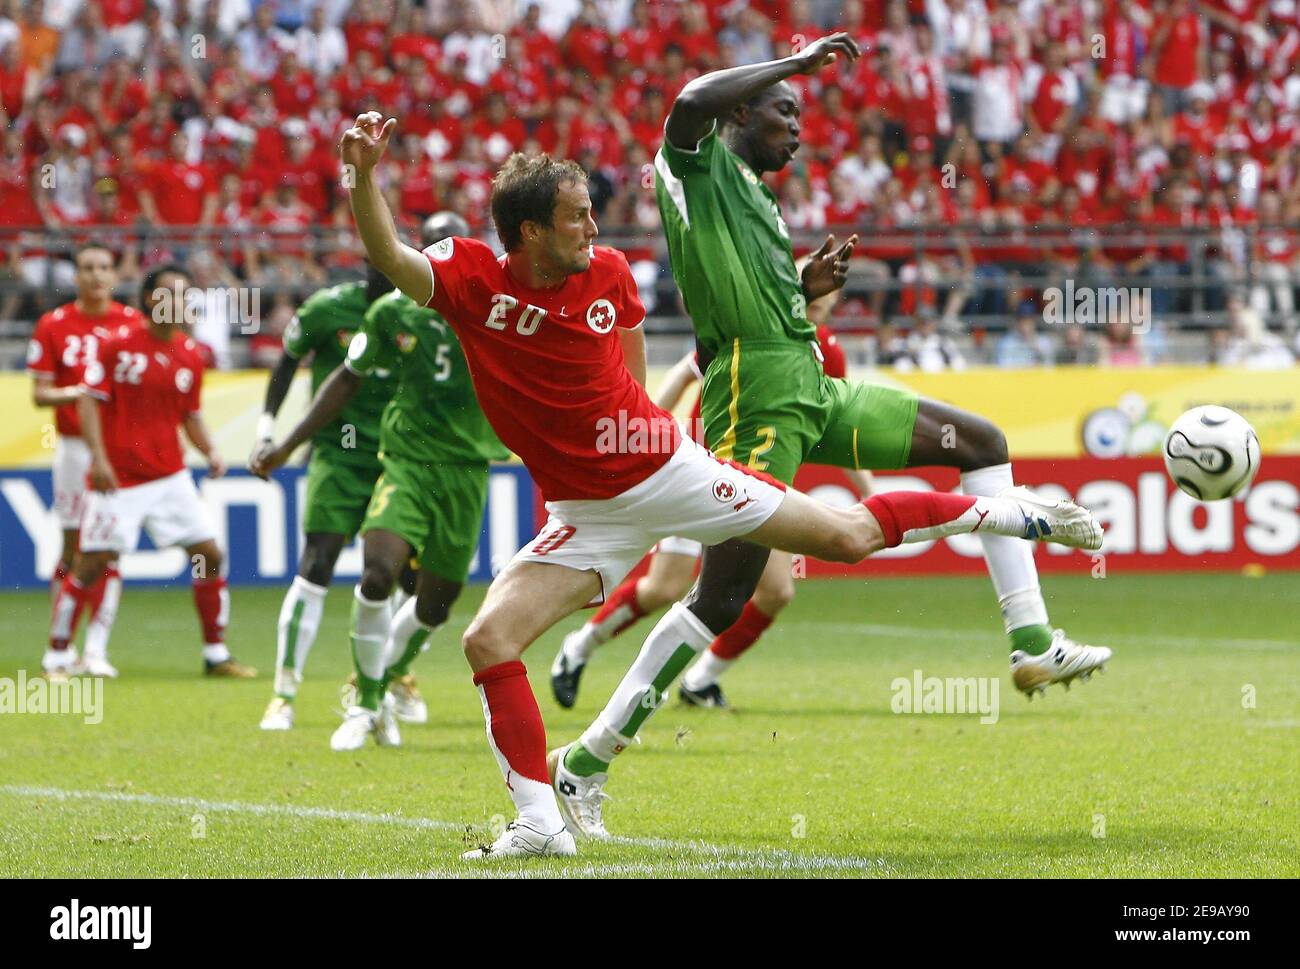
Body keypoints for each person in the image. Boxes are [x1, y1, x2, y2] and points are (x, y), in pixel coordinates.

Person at [339, 109, 1102, 859]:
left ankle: (1014, 514)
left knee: (845, 537)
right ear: (530, 232)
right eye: (577, 217)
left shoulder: (605, 275)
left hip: (665, 474)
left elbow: (629, 370)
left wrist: (638, 437)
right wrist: (362, 178)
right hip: (586, 511)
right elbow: (392, 256)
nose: (595, 230)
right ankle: (541, 820)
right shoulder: (472, 275)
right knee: (487, 638)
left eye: (593, 213)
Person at [552, 33, 1114, 839]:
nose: (799, 127)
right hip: (754, 395)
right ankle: (585, 763)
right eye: (785, 112)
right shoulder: (696, 163)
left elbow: (760, 298)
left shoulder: (754, 191)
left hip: (813, 383)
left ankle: (1031, 641)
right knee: (721, 596)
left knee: (980, 441)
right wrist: (795, 62)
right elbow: (685, 104)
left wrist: (804, 285)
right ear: (742, 110)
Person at [551, 276, 876, 710]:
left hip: (758, 481)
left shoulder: (827, 352)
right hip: (695, 474)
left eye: (827, 293)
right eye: (809, 290)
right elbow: (686, 374)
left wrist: (867, 489)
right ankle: (581, 647)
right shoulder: (754, 331)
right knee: (662, 588)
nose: (819, 299)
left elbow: (831, 421)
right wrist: (644, 428)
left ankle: (701, 679)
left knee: (776, 590)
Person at [252, 212, 511, 750]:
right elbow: (344, 379)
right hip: (401, 461)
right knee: (372, 573)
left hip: (465, 471)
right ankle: (358, 702)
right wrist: (285, 442)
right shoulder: (390, 312)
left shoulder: (498, 314)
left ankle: (390, 680)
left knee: (434, 601)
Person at [48, 265, 255, 679]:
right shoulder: (117, 345)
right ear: (148, 300)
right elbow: (88, 401)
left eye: (183, 295)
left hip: (169, 477)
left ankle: (215, 652)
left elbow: (190, 415)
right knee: (90, 564)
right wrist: (100, 459)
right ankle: (56, 655)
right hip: (119, 479)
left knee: (208, 554)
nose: (178, 303)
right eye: (169, 295)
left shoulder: (190, 354)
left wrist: (211, 451)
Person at [249, 263, 404, 731]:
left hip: (396, 458)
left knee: (387, 573)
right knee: (316, 563)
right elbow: (285, 362)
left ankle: (382, 687)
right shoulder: (328, 308)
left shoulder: (415, 310)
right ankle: (283, 693)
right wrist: (267, 429)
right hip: (337, 456)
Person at [28, 244, 141, 678]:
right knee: (74, 546)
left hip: (118, 449)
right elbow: (39, 395)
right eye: (88, 268)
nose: (96, 275)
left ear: (115, 275)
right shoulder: (53, 325)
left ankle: (97, 649)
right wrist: (82, 394)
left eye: (104, 267)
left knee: (109, 550)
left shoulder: (132, 325)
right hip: (75, 449)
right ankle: (61, 645)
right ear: (75, 276)